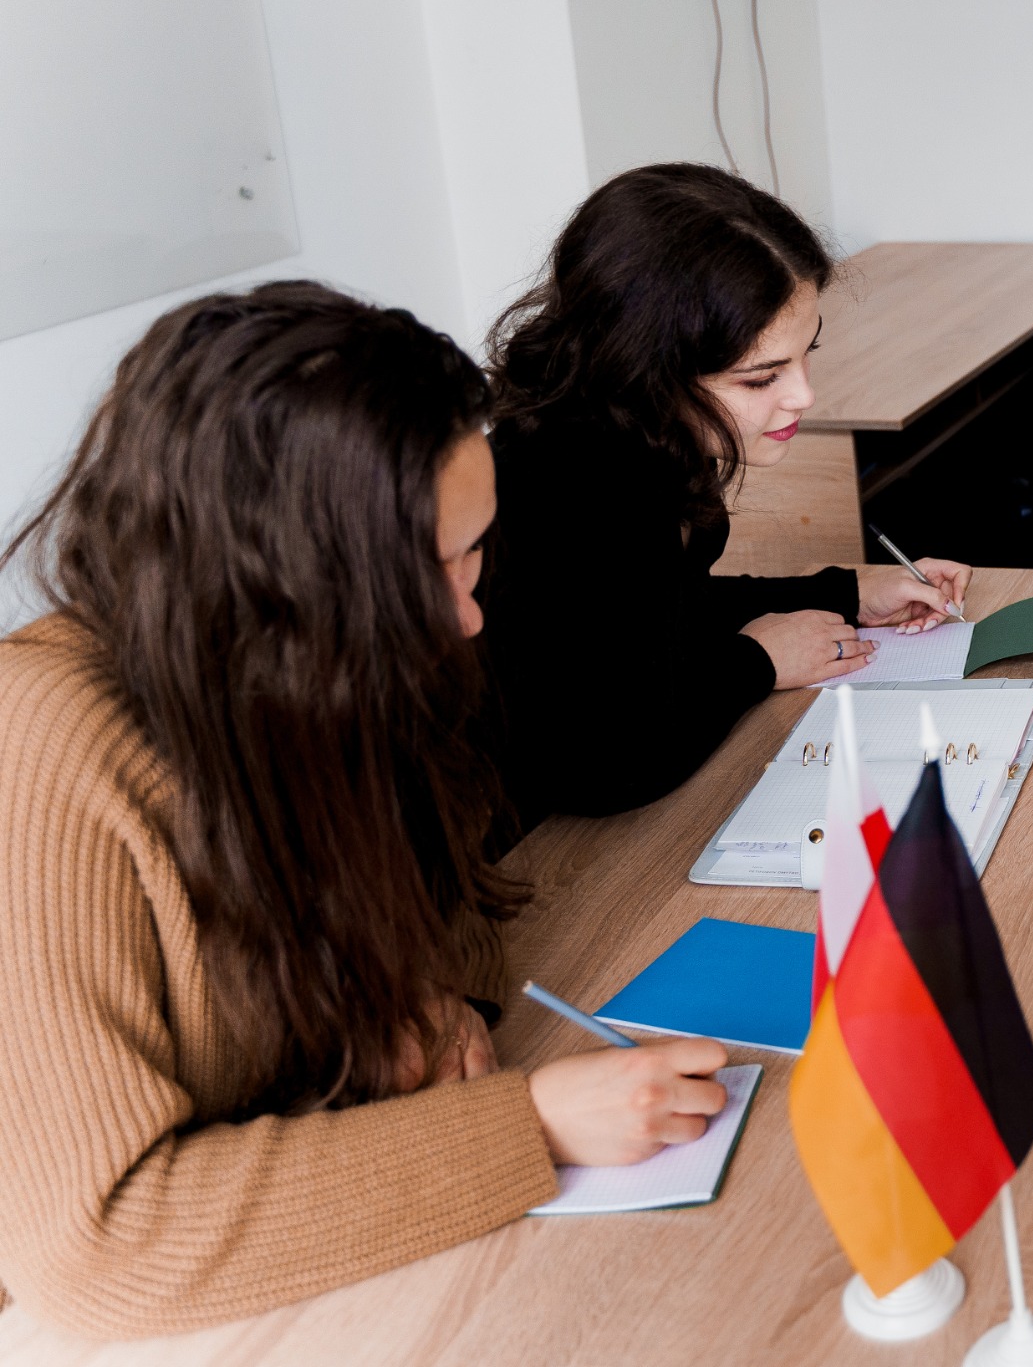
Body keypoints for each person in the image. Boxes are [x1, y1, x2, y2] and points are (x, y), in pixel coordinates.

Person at [0, 283, 731, 1337]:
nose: (468, 615)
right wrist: (526, 1125)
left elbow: (458, 902)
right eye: (423, 573)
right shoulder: (44, 743)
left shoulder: (333, 664)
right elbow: (98, 1243)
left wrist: (429, 1005)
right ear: (269, 580)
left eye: (475, 550)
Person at [477, 164, 966, 830]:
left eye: (804, 355)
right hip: (540, 843)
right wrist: (759, 663)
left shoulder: (647, 435)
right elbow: (614, 761)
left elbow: (655, 611)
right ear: (647, 368)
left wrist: (845, 593)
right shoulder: (569, 488)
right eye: (762, 377)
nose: (803, 395)